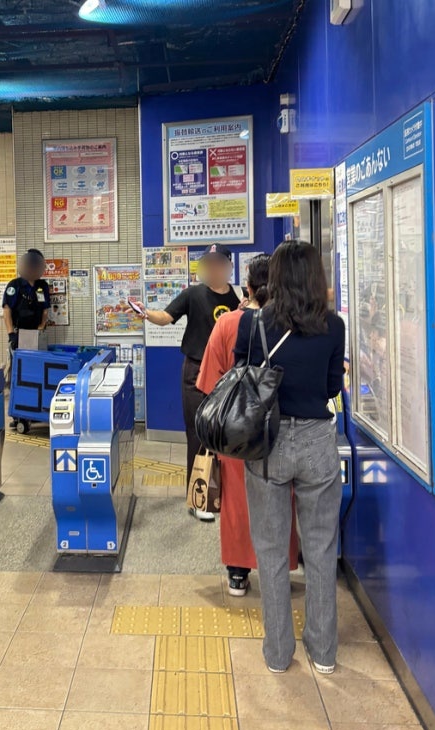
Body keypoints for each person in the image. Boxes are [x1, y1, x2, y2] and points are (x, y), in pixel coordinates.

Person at [234, 240, 344, 675]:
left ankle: (279, 654)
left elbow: (241, 381)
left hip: (268, 444)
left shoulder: (254, 324)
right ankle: (323, 652)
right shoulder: (333, 326)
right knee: (320, 549)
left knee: (272, 551)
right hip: (318, 442)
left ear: (275, 276)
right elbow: (333, 386)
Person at [196, 255, 299, 596]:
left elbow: (210, 381)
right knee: (283, 498)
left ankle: (238, 573)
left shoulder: (228, 324)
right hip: (283, 429)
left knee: (239, 500)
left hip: (238, 432)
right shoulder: (294, 324)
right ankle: (279, 569)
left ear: (248, 286)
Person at [134, 243, 239, 522]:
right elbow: (166, 317)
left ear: (229, 266)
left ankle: (224, 493)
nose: (213, 268)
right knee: (198, 434)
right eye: (209, 263)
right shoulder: (193, 294)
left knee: (225, 435)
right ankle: (198, 498)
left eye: (218, 263)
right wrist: (146, 313)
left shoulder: (236, 298)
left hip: (226, 376)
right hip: (195, 372)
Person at [2, 249, 51, 350]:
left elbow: (45, 309)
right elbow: (7, 310)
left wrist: (41, 327)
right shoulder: (15, 285)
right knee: (20, 362)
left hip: (37, 331)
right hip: (19, 332)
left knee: (37, 361)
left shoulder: (42, 286)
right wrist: (11, 333)